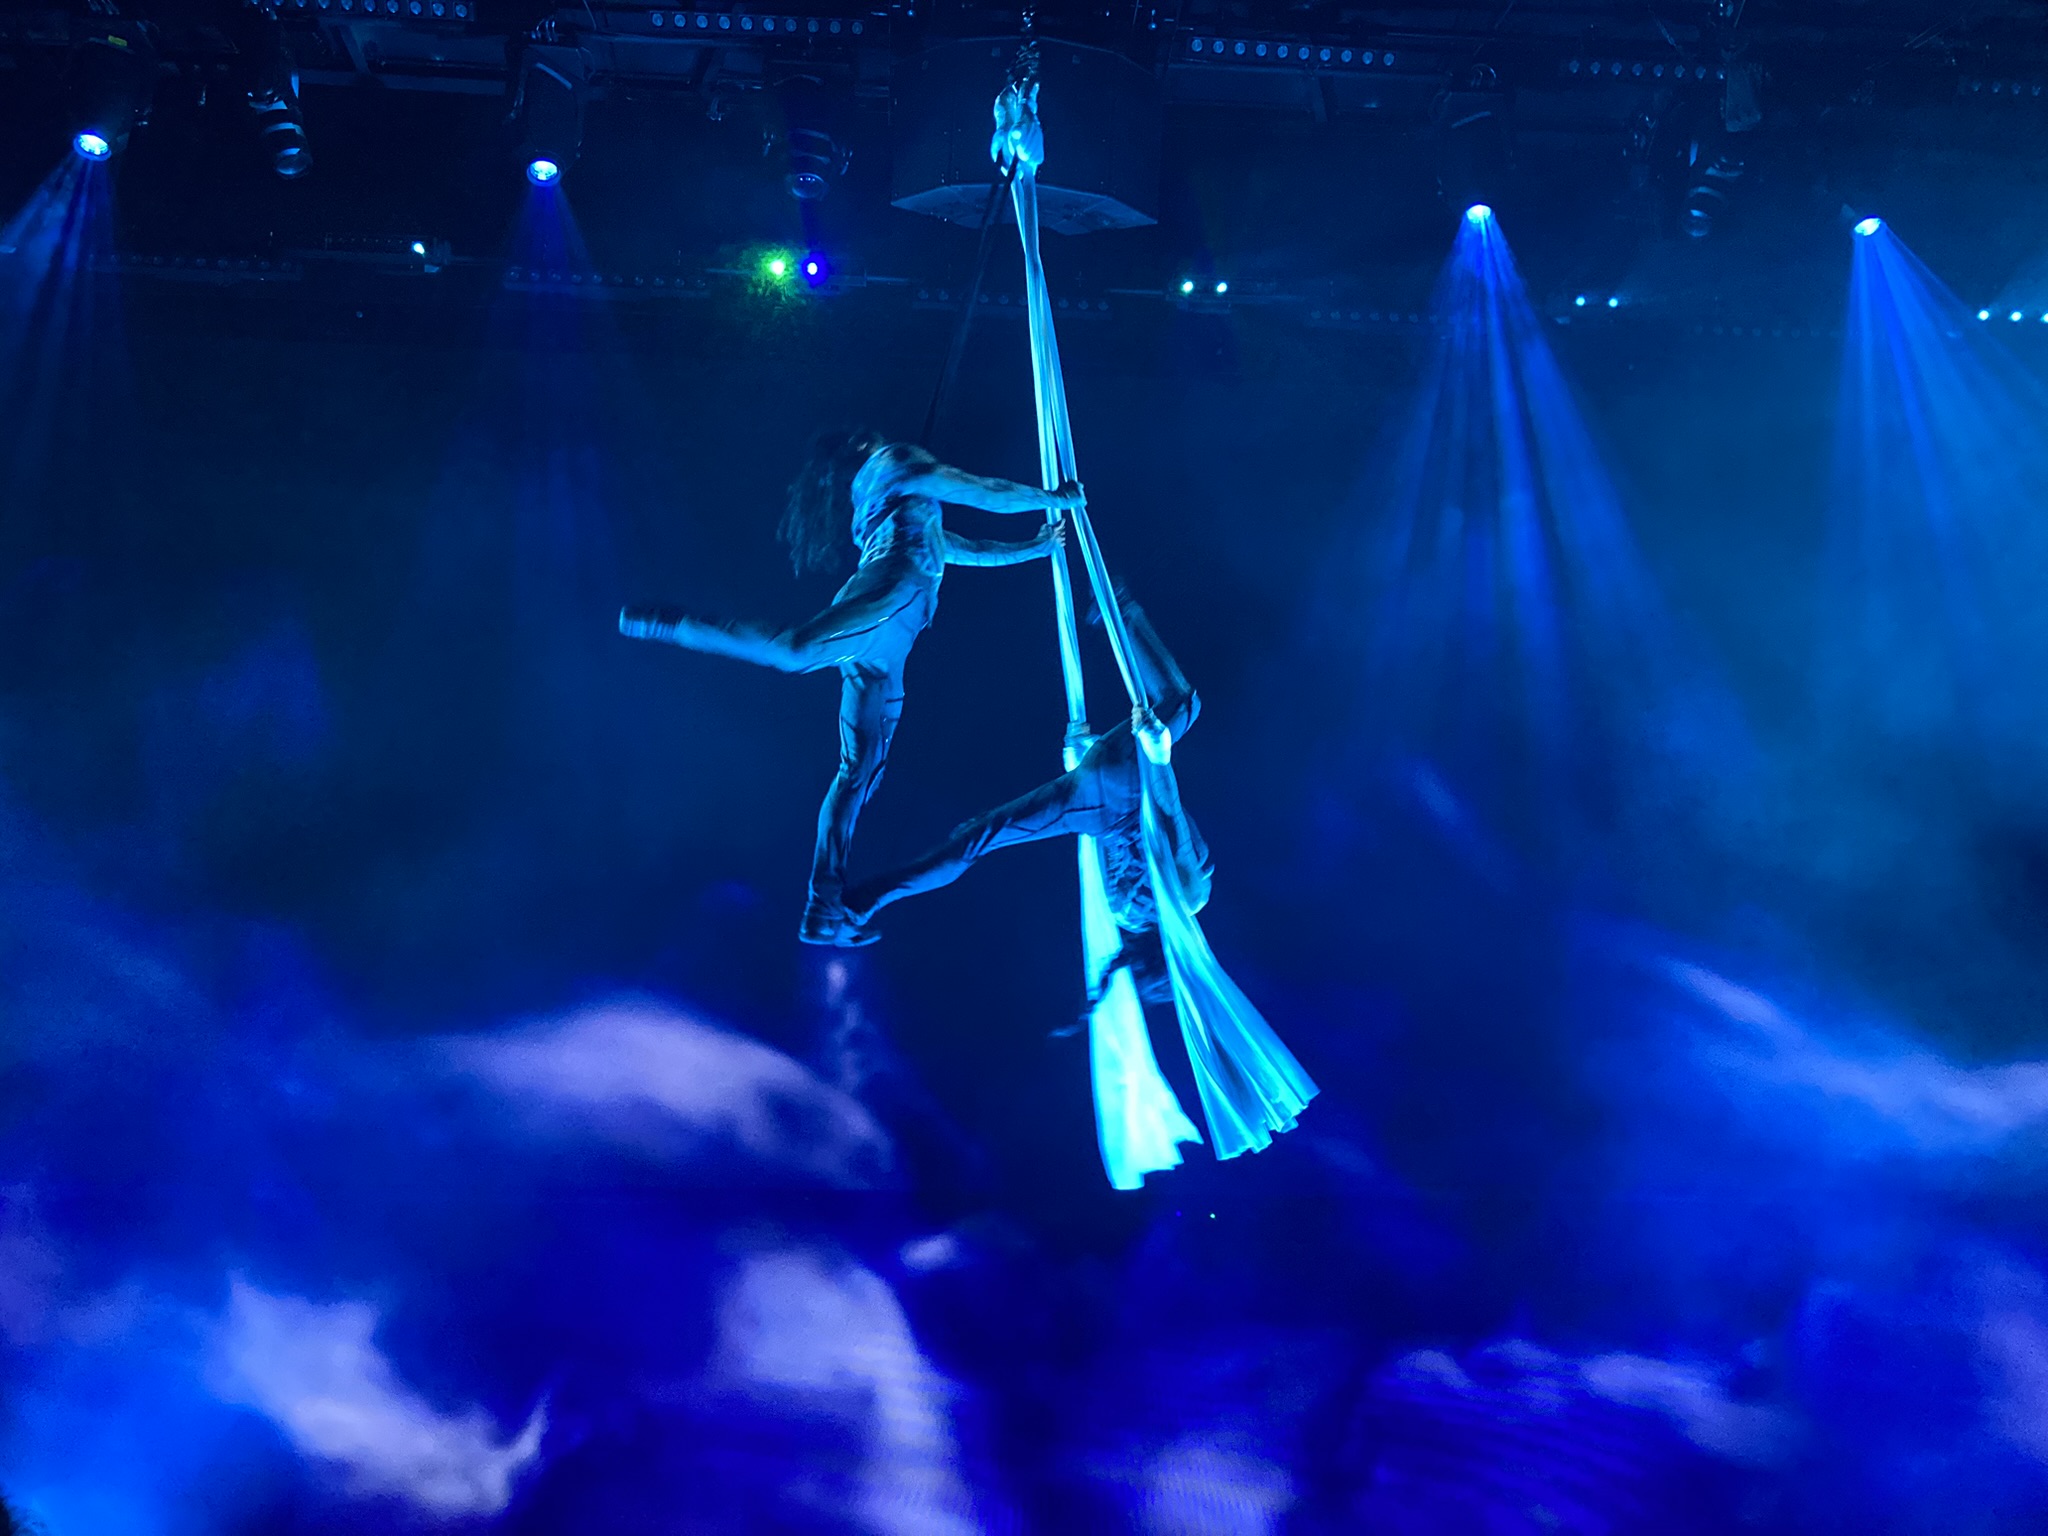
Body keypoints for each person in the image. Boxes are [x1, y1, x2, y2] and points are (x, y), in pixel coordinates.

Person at [619, 428, 1079, 944]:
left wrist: (1034, 547)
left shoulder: (884, 490)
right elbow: (978, 490)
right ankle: (673, 623)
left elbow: (956, 547)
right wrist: (1052, 498)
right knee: (795, 652)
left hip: (890, 632)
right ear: (864, 444)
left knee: (857, 771)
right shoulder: (895, 460)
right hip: (889, 599)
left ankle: (823, 907)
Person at [840, 592, 1210, 1005]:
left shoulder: (1191, 899)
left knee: (1183, 703)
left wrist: (1158, 756)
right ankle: (866, 898)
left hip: (1129, 777)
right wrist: (1085, 764)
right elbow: (1112, 843)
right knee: (978, 836)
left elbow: (1167, 815)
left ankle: (1121, 607)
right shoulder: (1122, 910)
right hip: (1093, 798)